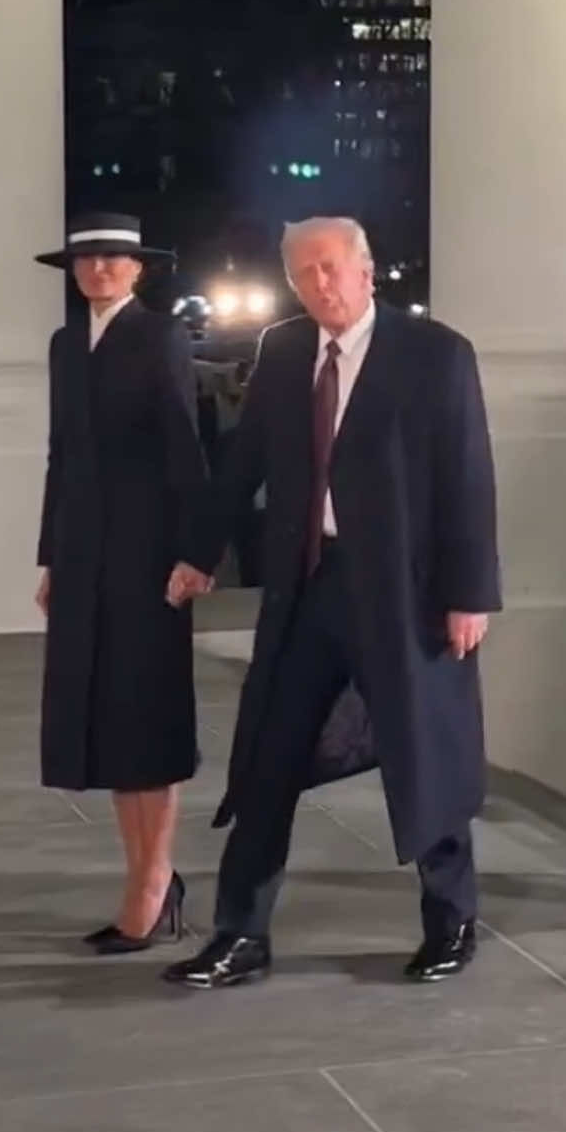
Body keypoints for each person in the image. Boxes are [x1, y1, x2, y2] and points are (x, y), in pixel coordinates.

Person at [163, 216, 501, 989]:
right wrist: (199, 550)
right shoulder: (283, 351)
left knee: (424, 753)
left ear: (366, 270)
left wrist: (470, 593)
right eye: (304, 273)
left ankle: (452, 921)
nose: (320, 284)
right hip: (307, 587)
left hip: (406, 594)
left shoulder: (436, 355)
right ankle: (241, 934)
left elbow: (468, 479)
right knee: (268, 757)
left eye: (332, 268)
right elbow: (242, 460)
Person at [35, 211, 208, 953]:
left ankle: (153, 879)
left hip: (148, 558)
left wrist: (195, 553)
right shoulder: (65, 344)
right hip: (80, 556)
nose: (100, 269)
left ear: (139, 269)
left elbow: (186, 451)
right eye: (88, 259)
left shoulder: (160, 336)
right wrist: (49, 555)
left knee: (148, 714)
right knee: (105, 715)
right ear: (73, 271)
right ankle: (145, 875)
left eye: (114, 259)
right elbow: (60, 456)